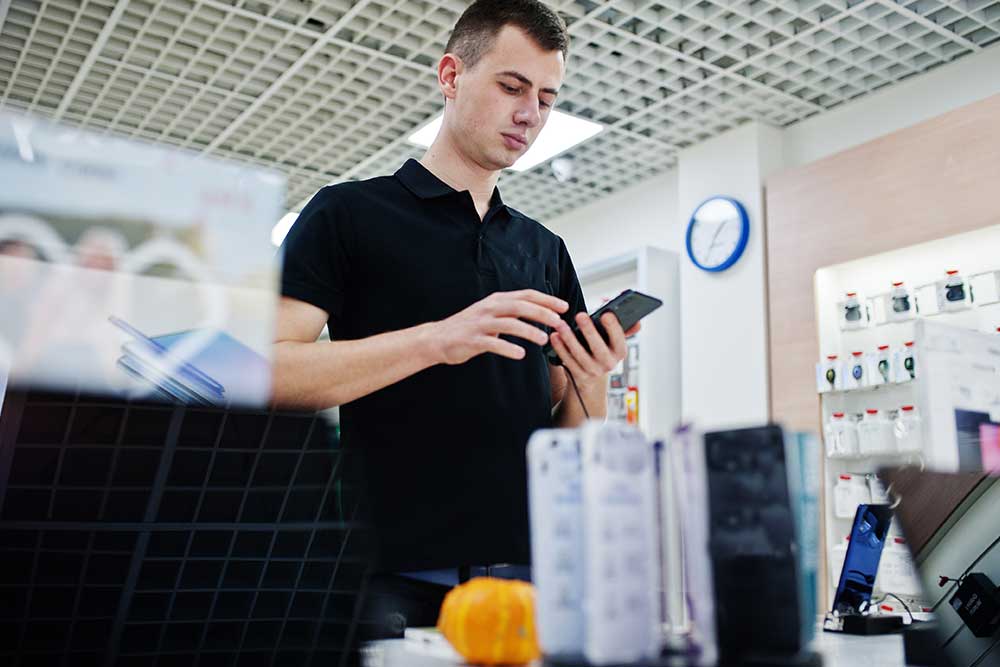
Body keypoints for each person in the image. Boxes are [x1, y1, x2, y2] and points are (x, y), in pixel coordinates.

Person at [273, 0, 640, 638]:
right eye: (511, 86)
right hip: (391, 574)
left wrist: (594, 382)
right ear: (450, 76)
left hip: (525, 578)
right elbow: (268, 369)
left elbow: (565, 432)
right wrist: (441, 339)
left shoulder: (543, 249)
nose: (531, 113)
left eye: (547, 98)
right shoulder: (346, 215)